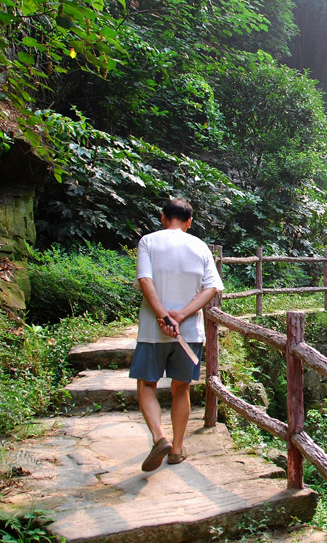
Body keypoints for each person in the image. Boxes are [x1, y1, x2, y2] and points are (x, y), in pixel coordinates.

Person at [130, 198, 223, 471]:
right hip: (188, 333)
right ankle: (178, 449)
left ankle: (160, 437)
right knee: (180, 388)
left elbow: (145, 280)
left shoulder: (148, 241)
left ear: (162, 217)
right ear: (189, 222)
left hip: (152, 330)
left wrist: (162, 315)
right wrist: (180, 315)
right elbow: (212, 288)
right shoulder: (200, 246)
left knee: (147, 384)